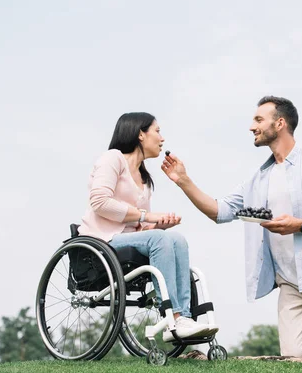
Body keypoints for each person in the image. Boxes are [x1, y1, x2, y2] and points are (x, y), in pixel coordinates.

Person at [161, 96, 302, 357]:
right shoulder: (258, 180)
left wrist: (301, 225)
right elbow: (220, 211)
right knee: (294, 359)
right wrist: (183, 181)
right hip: (291, 284)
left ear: (280, 123)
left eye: (259, 119)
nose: (251, 126)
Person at [78, 112, 216, 339]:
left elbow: (141, 231)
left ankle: (185, 317)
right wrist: (146, 217)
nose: (162, 139)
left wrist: (160, 225)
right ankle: (173, 316)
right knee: (160, 239)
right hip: (103, 240)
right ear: (141, 134)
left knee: (176, 239)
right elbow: (100, 202)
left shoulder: (145, 179)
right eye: (158, 131)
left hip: (130, 241)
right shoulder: (112, 159)